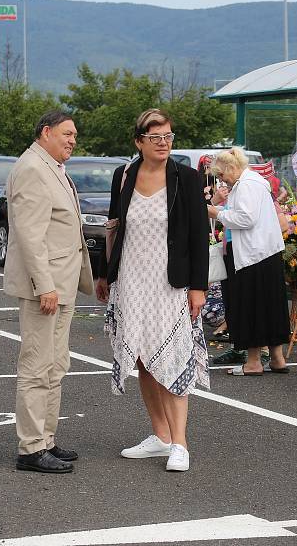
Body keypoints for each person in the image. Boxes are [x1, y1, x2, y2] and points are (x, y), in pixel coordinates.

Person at [96, 109, 210, 473]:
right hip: (130, 278)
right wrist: (104, 275)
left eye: (168, 137)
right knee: (143, 356)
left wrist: (198, 287)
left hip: (170, 281)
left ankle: (181, 443)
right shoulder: (124, 175)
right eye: (156, 138)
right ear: (139, 142)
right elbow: (114, 227)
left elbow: (198, 236)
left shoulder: (186, 177)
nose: (163, 144)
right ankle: (160, 437)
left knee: (175, 357)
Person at [4, 110, 94, 474]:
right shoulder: (32, 168)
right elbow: (29, 235)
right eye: (67, 133)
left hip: (63, 283)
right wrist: (45, 286)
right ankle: (31, 447)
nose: (73, 140)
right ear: (46, 132)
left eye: (75, 135)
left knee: (56, 365)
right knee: (37, 365)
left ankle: (46, 439)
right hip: (47, 287)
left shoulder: (51, 165)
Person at [207, 147, 290, 376]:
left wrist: (216, 213)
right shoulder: (256, 182)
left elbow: (245, 218)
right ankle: (276, 357)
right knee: (271, 305)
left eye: (222, 175)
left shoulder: (246, 185)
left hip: (251, 256)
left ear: (232, 168)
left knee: (249, 306)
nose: (221, 180)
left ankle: (253, 362)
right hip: (266, 253)